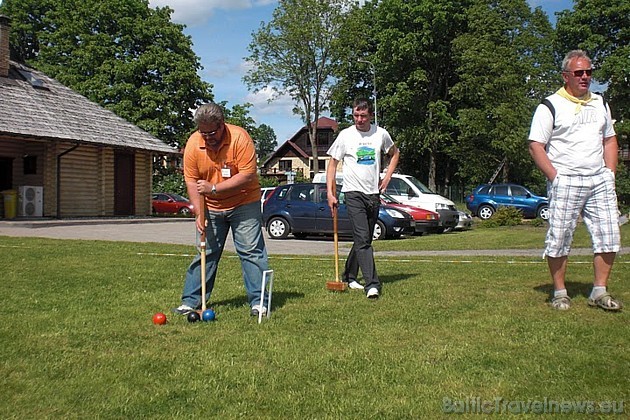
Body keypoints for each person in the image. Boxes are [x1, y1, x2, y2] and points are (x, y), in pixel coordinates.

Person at [528, 50, 622, 311]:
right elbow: (536, 145)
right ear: (565, 76)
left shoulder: (600, 103)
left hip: (599, 179)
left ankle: (599, 291)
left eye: (588, 72)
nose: (585, 77)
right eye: (579, 73)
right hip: (566, 179)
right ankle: (560, 292)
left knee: (609, 236)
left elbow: (610, 140)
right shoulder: (550, 105)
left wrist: (609, 174)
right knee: (559, 237)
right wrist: (555, 178)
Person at [173, 103, 270, 317]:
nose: (208, 137)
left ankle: (260, 302)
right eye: (203, 132)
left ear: (222, 124)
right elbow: (191, 180)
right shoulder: (193, 143)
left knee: (250, 252)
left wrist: (214, 188)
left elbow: (247, 175)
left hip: (244, 203)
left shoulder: (239, 138)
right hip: (211, 207)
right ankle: (191, 301)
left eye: (212, 132)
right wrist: (199, 212)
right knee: (205, 252)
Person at [326, 98, 400, 299]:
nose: (359, 119)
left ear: (370, 115)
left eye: (363, 116)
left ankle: (349, 276)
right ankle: (372, 284)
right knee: (363, 239)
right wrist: (330, 193)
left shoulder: (381, 134)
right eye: (356, 115)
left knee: (363, 238)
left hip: (373, 194)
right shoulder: (345, 135)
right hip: (353, 194)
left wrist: (387, 177)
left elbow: (394, 154)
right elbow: (332, 165)